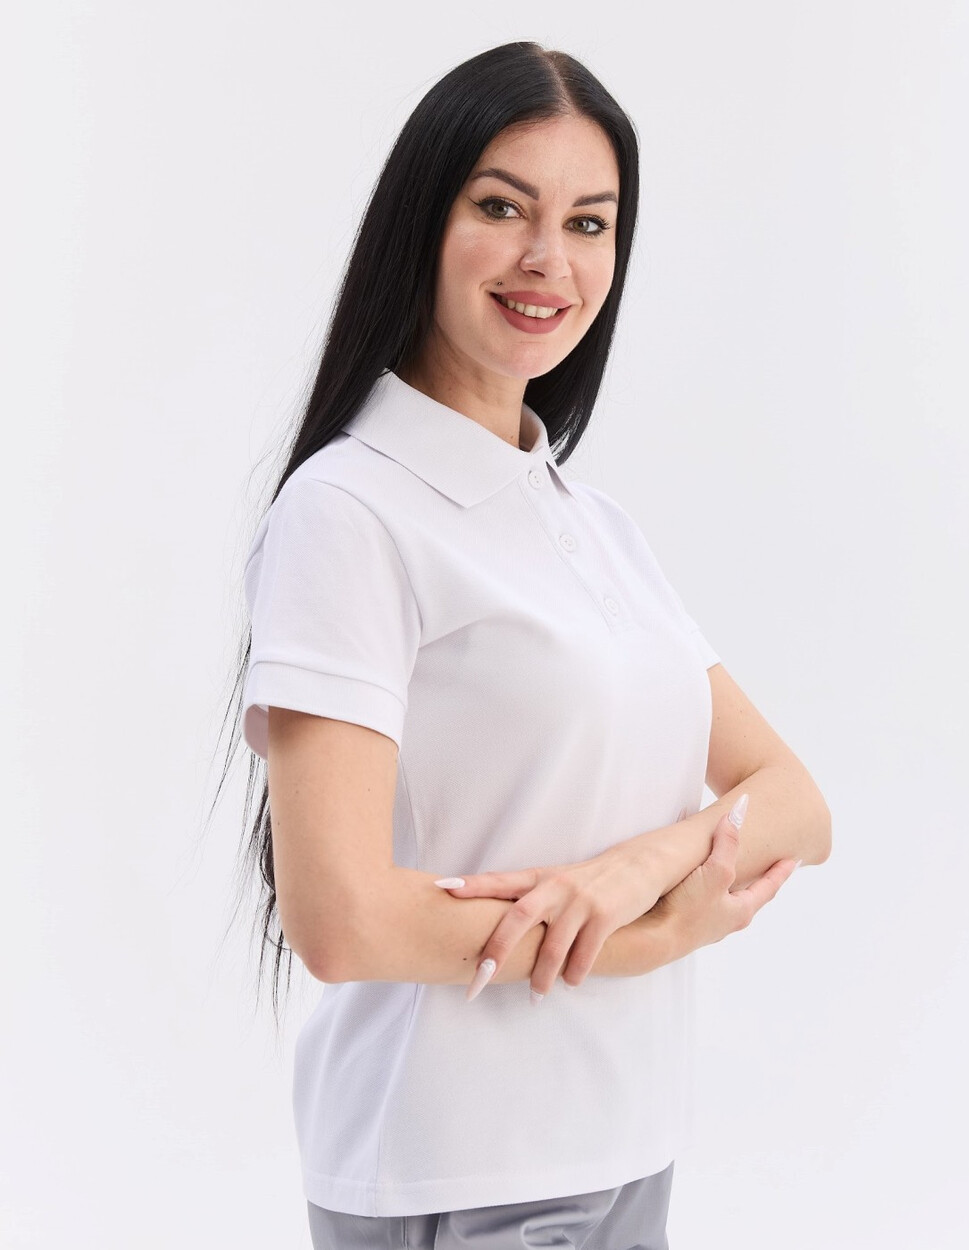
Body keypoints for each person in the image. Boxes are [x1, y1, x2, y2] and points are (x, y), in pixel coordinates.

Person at [229, 40, 832, 1250]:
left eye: (588, 222)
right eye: (502, 207)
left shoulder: (590, 524)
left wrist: (631, 870)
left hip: (627, 1139)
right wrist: (650, 934)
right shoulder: (349, 510)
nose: (548, 258)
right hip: (458, 1165)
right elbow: (341, 918)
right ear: (422, 221)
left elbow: (796, 803)